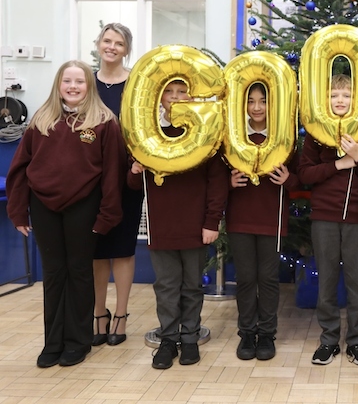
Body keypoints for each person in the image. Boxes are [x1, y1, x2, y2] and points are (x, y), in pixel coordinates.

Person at [6, 60, 125, 368]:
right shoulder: (41, 121)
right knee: (54, 273)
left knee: (79, 271)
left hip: (83, 207)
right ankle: (53, 342)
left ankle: (77, 341)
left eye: (80, 82)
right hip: (43, 206)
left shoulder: (104, 122)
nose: (73, 87)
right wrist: (19, 211)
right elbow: (20, 169)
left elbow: (113, 172)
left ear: (89, 86)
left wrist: (107, 214)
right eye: (67, 81)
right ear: (58, 85)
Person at [128, 80, 228, 370]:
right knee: (166, 286)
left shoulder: (205, 132)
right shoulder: (148, 133)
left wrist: (212, 222)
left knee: (192, 286)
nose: (174, 98)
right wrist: (135, 169)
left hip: (196, 224)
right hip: (162, 225)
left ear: (192, 96)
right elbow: (134, 183)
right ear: (158, 98)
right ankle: (169, 339)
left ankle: (190, 338)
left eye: (181, 92)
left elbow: (217, 182)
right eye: (168, 92)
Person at [298, 74, 358, 366]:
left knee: (357, 283)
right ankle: (328, 340)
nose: (340, 101)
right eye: (334, 95)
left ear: (356, 102)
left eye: (346, 96)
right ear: (325, 101)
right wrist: (339, 163)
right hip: (325, 218)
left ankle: (356, 342)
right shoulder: (316, 135)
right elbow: (305, 175)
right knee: (327, 281)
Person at [226, 82, 299, 361]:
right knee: (245, 278)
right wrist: (229, 182)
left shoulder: (285, 139)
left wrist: (288, 180)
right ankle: (247, 332)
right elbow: (217, 178)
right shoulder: (232, 137)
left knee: (268, 278)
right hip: (239, 218)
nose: (257, 107)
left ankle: (267, 333)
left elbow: (300, 178)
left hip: (271, 218)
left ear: (272, 105)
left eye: (263, 101)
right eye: (251, 101)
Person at [92, 22, 144, 347]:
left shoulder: (136, 85)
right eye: (107, 41)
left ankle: (121, 315)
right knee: (97, 251)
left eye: (119, 43)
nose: (112, 47)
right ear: (99, 43)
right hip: (91, 181)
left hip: (127, 177)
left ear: (126, 50)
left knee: (123, 248)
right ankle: (99, 313)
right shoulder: (86, 82)